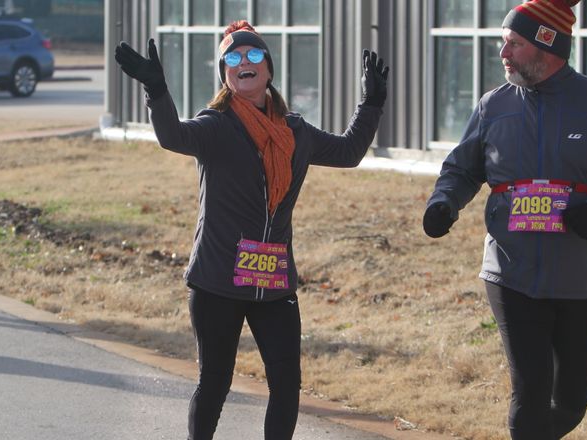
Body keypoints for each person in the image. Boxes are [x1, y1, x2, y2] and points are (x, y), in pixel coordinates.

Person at [115, 20, 388, 440]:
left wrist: (371, 104)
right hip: (217, 280)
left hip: (273, 282)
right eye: (234, 58)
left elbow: (349, 152)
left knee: (286, 385)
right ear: (225, 73)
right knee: (215, 382)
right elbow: (172, 136)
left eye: (254, 55)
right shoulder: (215, 126)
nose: (246, 62)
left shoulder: (295, 131)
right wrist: (156, 89)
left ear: (269, 68)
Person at [422, 0, 587, 438]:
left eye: (513, 43)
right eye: (503, 42)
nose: (503, 53)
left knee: (570, 401)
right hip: (510, 272)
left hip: (580, 277)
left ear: (545, 46)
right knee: (530, 391)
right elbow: (462, 169)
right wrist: (444, 203)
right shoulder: (493, 106)